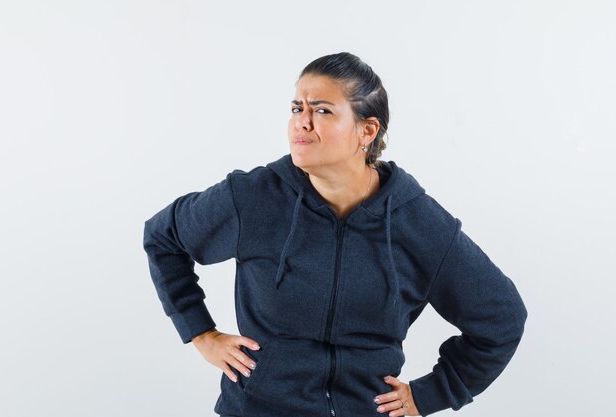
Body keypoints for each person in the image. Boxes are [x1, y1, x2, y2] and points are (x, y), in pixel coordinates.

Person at [142, 52, 527, 417]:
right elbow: (164, 236)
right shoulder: (254, 197)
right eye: (297, 108)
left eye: (322, 110)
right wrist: (201, 334)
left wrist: (429, 395)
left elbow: (502, 318)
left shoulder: (417, 221)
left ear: (367, 130)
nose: (302, 122)